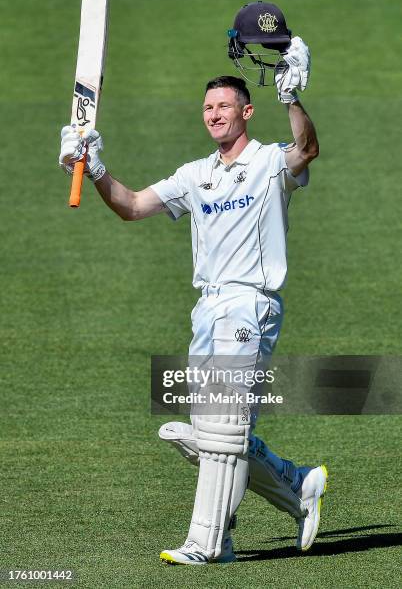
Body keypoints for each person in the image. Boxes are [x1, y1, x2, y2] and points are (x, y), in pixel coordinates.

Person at [59, 36, 327, 566]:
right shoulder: (195, 175)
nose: (214, 114)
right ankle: (297, 486)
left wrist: (292, 98)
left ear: (246, 112)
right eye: (208, 108)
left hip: (250, 304)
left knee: (223, 429)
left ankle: (210, 544)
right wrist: (93, 168)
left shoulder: (271, 163)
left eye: (224, 106)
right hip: (207, 309)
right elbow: (132, 207)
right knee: (209, 435)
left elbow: (307, 149)